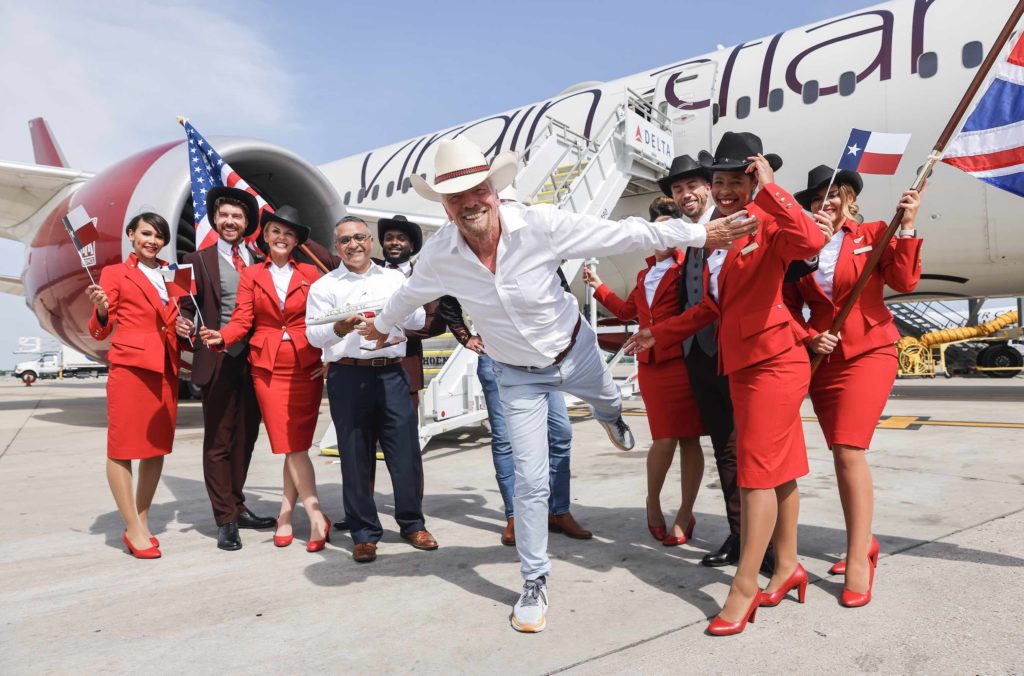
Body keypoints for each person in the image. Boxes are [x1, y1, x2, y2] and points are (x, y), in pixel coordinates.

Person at [356, 137, 758, 632]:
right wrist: (380, 326)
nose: (469, 203)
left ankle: (610, 415)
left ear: (493, 189)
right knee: (531, 481)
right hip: (516, 377)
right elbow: (407, 295)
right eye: (455, 196)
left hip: (576, 353)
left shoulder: (540, 225)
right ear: (443, 203)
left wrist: (699, 234)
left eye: (476, 189)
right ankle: (534, 580)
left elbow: (622, 234)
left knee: (609, 399)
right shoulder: (440, 255)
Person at [624, 132, 829, 635]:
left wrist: (773, 191)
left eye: (738, 179)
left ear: (755, 177)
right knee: (778, 472)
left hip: (775, 362)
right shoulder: (722, 236)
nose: (727, 190)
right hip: (740, 364)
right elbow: (713, 307)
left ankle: (744, 586)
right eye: (720, 181)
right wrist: (657, 333)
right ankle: (787, 566)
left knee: (756, 472)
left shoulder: (770, 220)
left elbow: (812, 242)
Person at [784, 165, 924, 607]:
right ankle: (864, 540)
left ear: (849, 199)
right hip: (823, 358)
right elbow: (786, 308)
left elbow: (904, 281)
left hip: (869, 351)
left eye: (833, 196)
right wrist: (809, 337)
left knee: (848, 450)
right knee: (839, 453)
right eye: (816, 199)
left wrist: (907, 227)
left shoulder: (875, 234)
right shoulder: (799, 252)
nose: (824, 204)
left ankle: (858, 554)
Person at [306, 216, 436, 564]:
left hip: (391, 373)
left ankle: (412, 524)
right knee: (354, 455)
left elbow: (420, 320)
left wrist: (390, 314)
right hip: (348, 376)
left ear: (371, 242)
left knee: (405, 454)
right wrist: (340, 325)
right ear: (337, 247)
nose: (354, 245)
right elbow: (314, 336)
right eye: (345, 240)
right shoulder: (325, 286)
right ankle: (364, 533)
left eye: (360, 238)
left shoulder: (395, 279)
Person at [199, 206, 329, 552]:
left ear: (297, 240)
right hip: (268, 369)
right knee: (289, 446)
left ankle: (294, 513)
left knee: (295, 445)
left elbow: (327, 320)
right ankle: (309, 514)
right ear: (265, 237)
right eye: (275, 231)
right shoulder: (252, 275)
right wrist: (222, 337)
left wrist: (330, 358)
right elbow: (242, 320)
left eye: (288, 233)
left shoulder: (312, 275)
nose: (281, 238)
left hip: (307, 366)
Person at [583, 197, 704, 546]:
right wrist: (598, 285)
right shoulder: (645, 273)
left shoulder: (687, 269)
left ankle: (685, 512)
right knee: (664, 439)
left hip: (682, 361)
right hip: (651, 367)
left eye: (669, 230)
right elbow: (625, 312)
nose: (662, 238)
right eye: (657, 231)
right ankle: (652, 502)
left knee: (690, 438)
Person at [659, 154, 753, 569]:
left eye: (692, 186)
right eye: (677, 190)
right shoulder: (694, 236)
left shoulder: (735, 224)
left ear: (710, 188)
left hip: (737, 352)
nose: (685, 195)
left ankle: (760, 541)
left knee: (747, 450)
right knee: (725, 449)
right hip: (699, 354)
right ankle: (740, 535)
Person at [440, 298, 590, 545]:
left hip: (541, 357)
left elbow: (563, 294)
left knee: (560, 432)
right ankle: (515, 516)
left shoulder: (533, 258)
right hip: (496, 358)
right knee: (505, 439)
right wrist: (465, 337)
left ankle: (558, 511)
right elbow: (447, 298)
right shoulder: (475, 262)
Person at [178, 187, 276, 552]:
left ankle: (237, 503)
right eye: (224, 216)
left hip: (257, 359)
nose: (230, 222)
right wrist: (182, 324)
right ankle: (225, 519)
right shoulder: (195, 259)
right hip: (217, 359)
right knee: (219, 441)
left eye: (237, 216)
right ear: (215, 220)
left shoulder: (262, 258)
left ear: (247, 223)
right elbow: (185, 306)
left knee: (246, 438)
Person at [87, 212, 190, 559]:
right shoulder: (115, 273)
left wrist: (184, 329)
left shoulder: (173, 273)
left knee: (156, 448)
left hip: (165, 367)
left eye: (159, 236)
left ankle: (141, 518)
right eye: (146, 233)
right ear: (131, 234)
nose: (153, 240)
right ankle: (131, 527)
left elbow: (176, 318)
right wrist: (101, 311)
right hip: (131, 369)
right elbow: (102, 328)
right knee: (122, 448)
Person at [375, 214, 447, 408]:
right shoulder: (369, 270)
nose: (394, 242)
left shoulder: (425, 277)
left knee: (404, 436)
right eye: (389, 238)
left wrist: (386, 331)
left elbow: (436, 323)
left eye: (401, 238)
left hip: (405, 369)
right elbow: (329, 259)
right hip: (366, 374)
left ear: (412, 246)